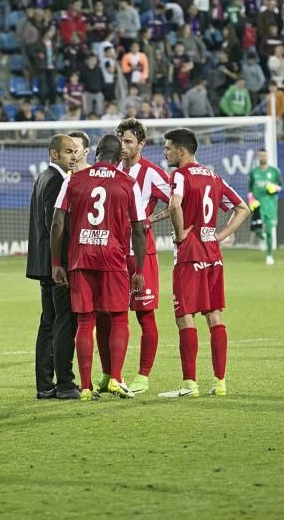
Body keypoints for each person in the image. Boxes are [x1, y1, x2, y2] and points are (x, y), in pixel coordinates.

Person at [49, 135, 147, 401]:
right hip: (113, 259)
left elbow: (58, 222)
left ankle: (85, 387)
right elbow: (139, 229)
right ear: (119, 159)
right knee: (118, 319)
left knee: (85, 321)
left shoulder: (73, 179)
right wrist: (139, 268)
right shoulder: (128, 183)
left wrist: (56, 262)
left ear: (96, 155)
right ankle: (115, 378)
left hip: (81, 258)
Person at [159, 128, 250, 398]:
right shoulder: (214, 176)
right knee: (214, 315)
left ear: (181, 151)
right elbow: (243, 208)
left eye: (168, 148)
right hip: (212, 254)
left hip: (189, 255)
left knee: (184, 316)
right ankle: (220, 382)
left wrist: (179, 234)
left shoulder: (180, 175)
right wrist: (220, 235)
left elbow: (175, 205)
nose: (165, 152)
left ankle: (189, 384)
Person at [97, 118, 172, 396]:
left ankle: (143, 375)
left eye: (129, 141)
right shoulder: (109, 171)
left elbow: (177, 201)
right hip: (112, 255)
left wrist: (153, 218)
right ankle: (108, 374)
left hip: (141, 254)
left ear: (141, 144)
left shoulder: (151, 173)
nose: (124, 146)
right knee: (106, 317)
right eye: (121, 141)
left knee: (144, 316)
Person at [25, 135, 80, 400]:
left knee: (48, 323)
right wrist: (61, 261)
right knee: (63, 323)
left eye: (74, 151)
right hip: (55, 265)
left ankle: (44, 384)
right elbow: (53, 225)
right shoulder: (57, 180)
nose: (73, 156)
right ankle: (65, 383)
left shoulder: (42, 177)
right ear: (54, 154)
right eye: (68, 151)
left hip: (44, 263)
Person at [248, 149, 284, 266]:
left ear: (267, 157)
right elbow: (250, 189)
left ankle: (269, 255)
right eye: (260, 156)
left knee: (269, 230)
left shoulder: (274, 172)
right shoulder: (254, 172)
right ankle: (261, 236)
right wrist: (250, 199)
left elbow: (282, 186)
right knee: (257, 229)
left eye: (264, 155)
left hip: (270, 205)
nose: (262, 157)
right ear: (258, 158)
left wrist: (275, 188)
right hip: (257, 205)